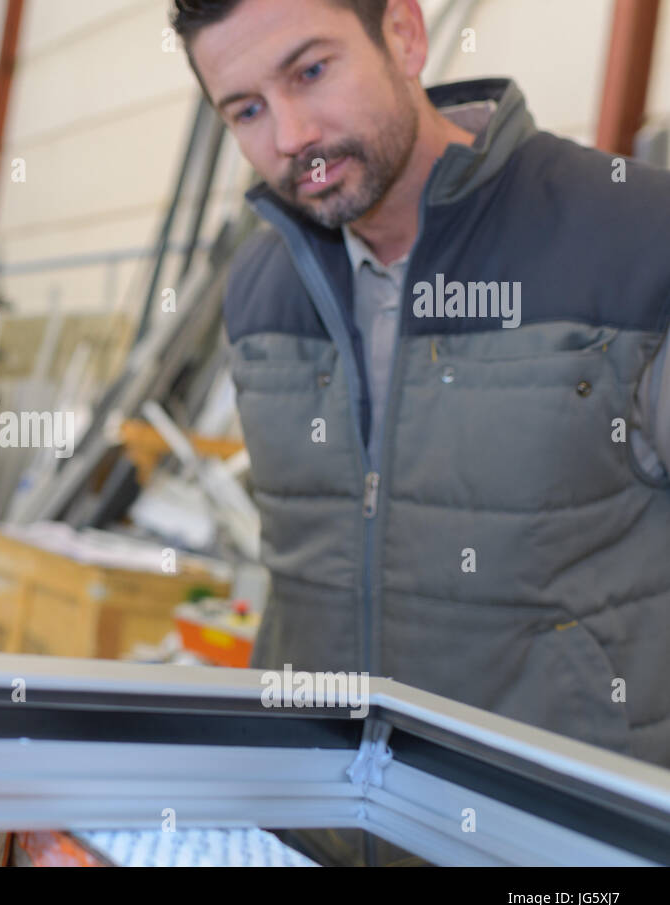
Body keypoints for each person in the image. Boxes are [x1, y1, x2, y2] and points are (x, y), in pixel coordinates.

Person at [171, 0, 670, 771]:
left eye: (311, 70)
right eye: (247, 109)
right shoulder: (260, 289)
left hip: (550, 846)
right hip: (311, 818)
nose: (292, 135)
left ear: (403, 34)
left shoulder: (635, 237)